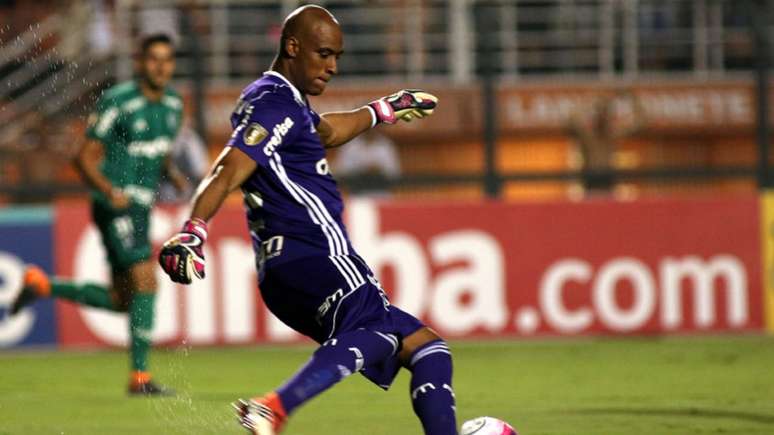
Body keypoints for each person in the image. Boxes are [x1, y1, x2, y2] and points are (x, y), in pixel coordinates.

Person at [157, 5, 455, 435]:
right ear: (292, 46)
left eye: (337, 57)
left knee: (427, 347)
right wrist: (194, 229)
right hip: (316, 250)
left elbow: (328, 132)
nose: (332, 67)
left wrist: (383, 109)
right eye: (324, 54)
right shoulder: (275, 104)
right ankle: (275, 407)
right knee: (378, 328)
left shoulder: (278, 100)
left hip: (283, 272)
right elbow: (228, 168)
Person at [11, 33, 187, 396]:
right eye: (153, 58)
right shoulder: (119, 101)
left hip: (141, 209)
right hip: (115, 206)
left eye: (167, 59)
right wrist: (110, 192)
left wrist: (171, 174)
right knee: (146, 279)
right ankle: (140, 379)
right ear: (139, 62)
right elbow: (83, 156)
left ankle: (42, 284)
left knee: (124, 301)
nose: (160, 66)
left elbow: (161, 148)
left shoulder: (173, 104)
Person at [567, 90, 646, 196]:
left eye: (605, 115)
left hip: (609, 180)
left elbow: (640, 122)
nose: (603, 118)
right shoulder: (589, 137)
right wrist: (588, 102)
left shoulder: (612, 136)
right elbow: (571, 120)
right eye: (600, 115)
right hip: (591, 180)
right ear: (595, 118)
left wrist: (631, 97)